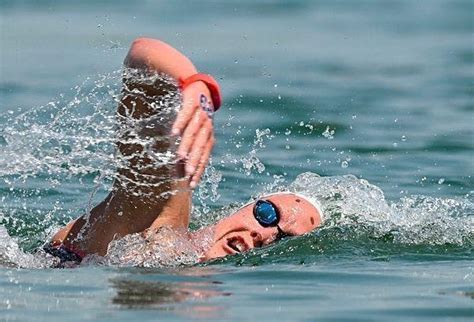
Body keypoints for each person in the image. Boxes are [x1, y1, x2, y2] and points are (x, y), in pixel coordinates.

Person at [44, 38, 323, 266]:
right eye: (267, 214)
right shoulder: (161, 219)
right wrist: (197, 86)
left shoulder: (203, 290)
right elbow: (142, 54)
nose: (264, 234)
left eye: (283, 239)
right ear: (245, 208)